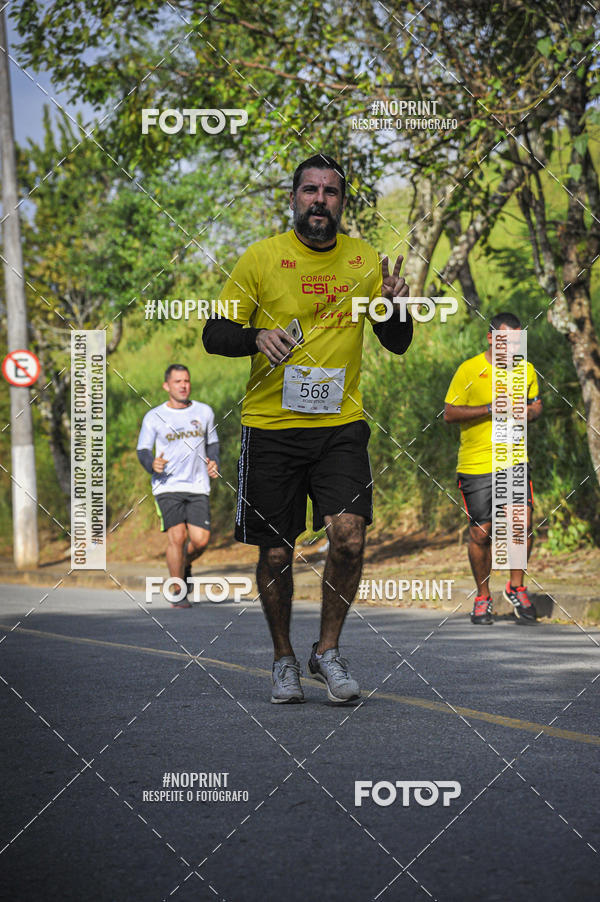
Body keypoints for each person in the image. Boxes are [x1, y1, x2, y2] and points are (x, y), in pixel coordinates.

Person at [203, 153, 413, 703]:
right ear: (294, 197)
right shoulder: (260, 258)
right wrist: (254, 337)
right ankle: (283, 659)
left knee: (349, 537)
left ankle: (327, 651)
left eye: (331, 191)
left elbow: (396, 342)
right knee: (276, 553)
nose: (320, 200)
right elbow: (213, 333)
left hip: (340, 425)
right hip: (272, 427)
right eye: (310, 190)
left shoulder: (364, 261)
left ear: (342, 202)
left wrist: (396, 307)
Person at [444, 313, 542, 624]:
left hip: (514, 460)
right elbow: (449, 413)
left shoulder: (526, 370)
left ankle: (516, 587)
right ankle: (483, 596)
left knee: (521, 523)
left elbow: (536, 404)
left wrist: (526, 411)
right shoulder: (469, 370)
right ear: (491, 338)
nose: (512, 348)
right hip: (476, 464)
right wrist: (490, 409)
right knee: (481, 533)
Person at [136, 364, 219, 608]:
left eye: (186, 381)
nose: (183, 385)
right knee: (178, 536)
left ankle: (184, 564)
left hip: (198, 485)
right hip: (167, 485)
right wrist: (152, 464)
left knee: (201, 540)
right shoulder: (154, 416)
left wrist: (214, 461)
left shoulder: (204, 412)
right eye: (178, 381)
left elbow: (213, 443)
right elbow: (143, 449)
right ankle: (178, 590)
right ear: (166, 386)